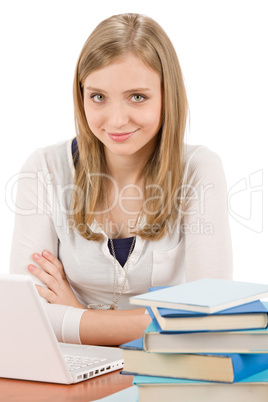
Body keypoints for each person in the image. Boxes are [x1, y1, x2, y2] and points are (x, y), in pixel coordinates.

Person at [10, 13, 233, 346]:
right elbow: (24, 317)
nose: (116, 120)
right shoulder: (43, 169)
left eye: (137, 97)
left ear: (166, 96)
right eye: (98, 97)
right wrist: (159, 320)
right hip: (72, 377)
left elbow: (205, 317)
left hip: (168, 376)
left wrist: (76, 314)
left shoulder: (199, 171)